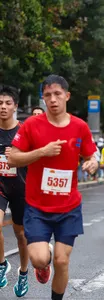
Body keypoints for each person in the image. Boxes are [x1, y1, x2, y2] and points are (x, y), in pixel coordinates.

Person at [7, 75, 98, 300]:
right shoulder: (31, 125)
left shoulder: (80, 127)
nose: (53, 99)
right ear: (43, 98)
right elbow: (13, 159)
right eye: (47, 95)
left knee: (62, 260)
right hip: (37, 207)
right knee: (39, 259)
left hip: (69, 207)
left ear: (67, 96)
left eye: (57, 94)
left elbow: (91, 154)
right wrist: (42, 152)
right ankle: (43, 262)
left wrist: (92, 163)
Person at [0, 85, 29, 297]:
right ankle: (2, 264)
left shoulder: (24, 131)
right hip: (0, 186)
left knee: (21, 235)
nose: (3, 107)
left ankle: (24, 273)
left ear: (15, 106)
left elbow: (38, 157)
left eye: (8, 103)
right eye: (0, 103)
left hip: (20, 187)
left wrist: (19, 155)